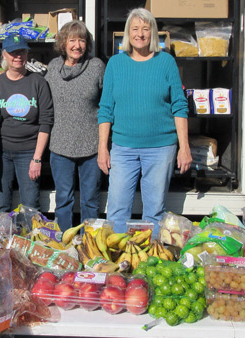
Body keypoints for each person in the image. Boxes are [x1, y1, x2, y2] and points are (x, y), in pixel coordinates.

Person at [97, 8, 192, 233]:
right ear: (128, 33)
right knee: (117, 210)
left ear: (153, 33)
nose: (140, 34)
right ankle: (119, 259)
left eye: (145, 29)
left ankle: (151, 259)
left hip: (161, 149)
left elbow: (179, 105)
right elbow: (105, 108)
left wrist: (184, 147)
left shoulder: (166, 62)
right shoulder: (115, 64)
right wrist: (103, 147)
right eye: (135, 29)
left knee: (154, 212)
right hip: (123, 147)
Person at [44, 21, 105, 231]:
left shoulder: (96, 66)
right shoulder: (53, 68)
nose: (77, 45)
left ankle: (91, 242)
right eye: (72, 40)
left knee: (90, 201)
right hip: (60, 145)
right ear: (63, 43)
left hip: (91, 146)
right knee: (63, 200)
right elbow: (43, 101)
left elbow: (107, 104)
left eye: (81, 40)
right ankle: (64, 241)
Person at [0, 34, 54, 212]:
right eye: (13, 52)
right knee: (1, 204)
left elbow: (46, 122)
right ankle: (2, 239)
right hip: (1, 152)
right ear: (4, 55)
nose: (18, 56)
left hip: (29, 152)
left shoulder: (38, 82)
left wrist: (37, 158)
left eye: (22, 52)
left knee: (30, 205)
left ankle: (28, 239)